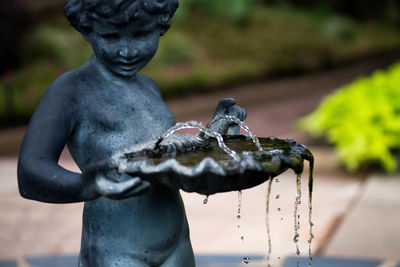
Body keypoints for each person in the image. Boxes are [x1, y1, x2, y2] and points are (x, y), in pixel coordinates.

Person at [17, 0, 246, 266]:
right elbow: (30, 170)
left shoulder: (149, 87)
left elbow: (164, 155)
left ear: (161, 27)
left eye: (140, 34)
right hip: (116, 250)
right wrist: (83, 185)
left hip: (176, 244)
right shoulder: (71, 91)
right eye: (111, 36)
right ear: (87, 30)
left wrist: (212, 136)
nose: (127, 51)